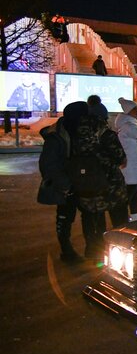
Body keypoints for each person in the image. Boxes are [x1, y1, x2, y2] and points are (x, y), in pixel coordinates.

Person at [71, 110, 128, 257]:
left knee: (91, 218)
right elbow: (120, 157)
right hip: (112, 186)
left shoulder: (74, 136)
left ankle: (93, 251)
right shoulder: (106, 134)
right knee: (119, 221)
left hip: (87, 186)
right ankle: (121, 251)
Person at [37, 101, 88, 262]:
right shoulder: (57, 136)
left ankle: (92, 249)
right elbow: (48, 165)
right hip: (67, 186)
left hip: (81, 182)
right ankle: (66, 250)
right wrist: (65, 185)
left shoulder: (78, 130)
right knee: (65, 217)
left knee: (88, 215)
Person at [115, 98, 137, 221]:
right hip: (131, 163)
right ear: (128, 111)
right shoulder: (129, 126)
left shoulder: (130, 124)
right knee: (131, 190)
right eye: (135, 109)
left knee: (135, 187)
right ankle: (122, 216)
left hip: (135, 162)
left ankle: (134, 214)